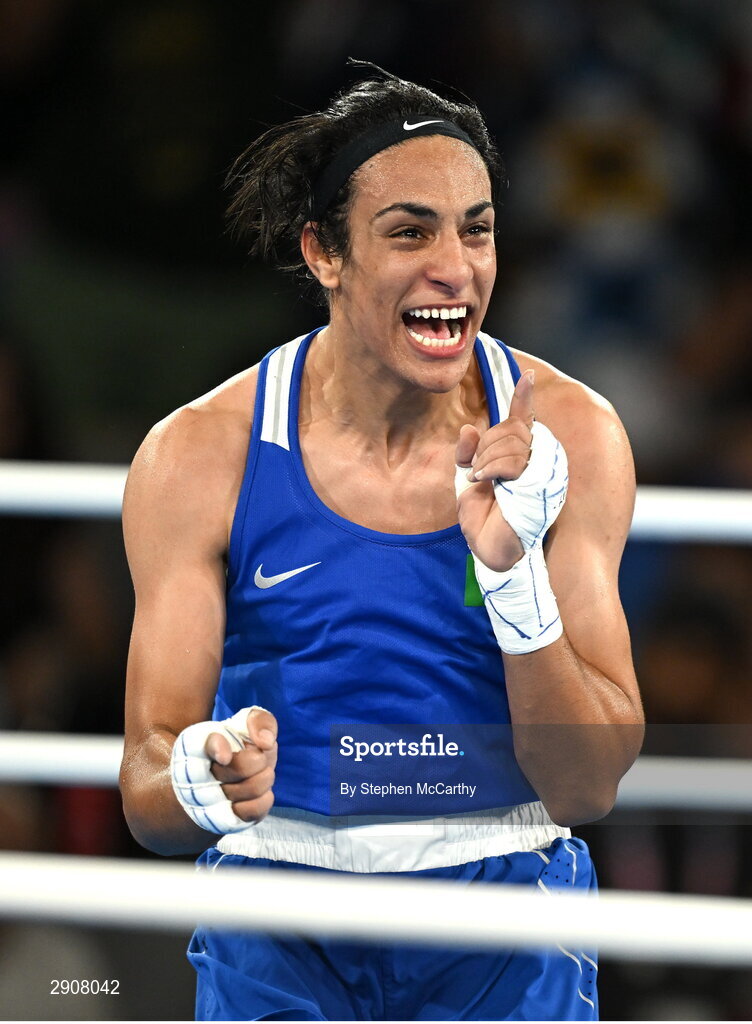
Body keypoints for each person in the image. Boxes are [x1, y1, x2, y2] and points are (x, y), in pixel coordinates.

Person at [120, 65, 644, 1022]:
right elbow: (146, 788)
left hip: (502, 910)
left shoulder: (573, 433)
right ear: (324, 252)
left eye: (475, 228)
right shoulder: (199, 454)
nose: (455, 266)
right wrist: (200, 774)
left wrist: (512, 579)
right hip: (276, 908)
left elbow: (588, 783)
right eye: (410, 231)